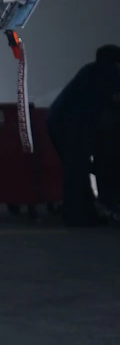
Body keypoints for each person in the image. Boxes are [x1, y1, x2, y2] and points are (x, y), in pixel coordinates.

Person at [48, 44, 120, 226]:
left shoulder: (90, 70)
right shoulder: (109, 74)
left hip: (59, 123)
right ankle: (78, 216)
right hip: (72, 126)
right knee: (77, 170)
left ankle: (83, 213)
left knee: (76, 171)